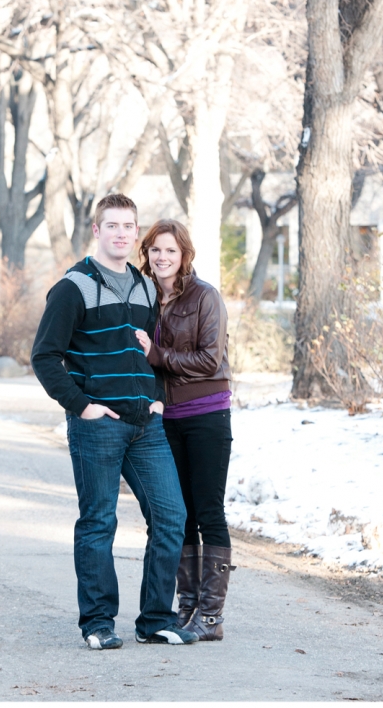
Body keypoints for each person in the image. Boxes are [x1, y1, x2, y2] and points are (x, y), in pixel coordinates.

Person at [31, 195, 198, 650]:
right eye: (113, 225)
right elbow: (45, 357)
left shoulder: (146, 288)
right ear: (97, 230)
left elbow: (146, 355)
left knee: (171, 517)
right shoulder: (74, 287)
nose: (122, 233)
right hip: (97, 425)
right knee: (99, 522)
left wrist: (157, 399)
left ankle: (155, 620)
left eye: (129, 225)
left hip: (146, 426)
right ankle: (98, 623)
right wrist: (81, 405)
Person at [135, 219, 235, 641]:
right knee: (181, 514)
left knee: (208, 511)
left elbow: (209, 360)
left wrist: (157, 354)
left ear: (184, 255)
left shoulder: (204, 296)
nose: (162, 257)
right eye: (155, 250)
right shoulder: (141, 295)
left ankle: (211, 617)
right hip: (166, 419)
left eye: (170, 251)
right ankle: (188, 607)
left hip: (207, 414)